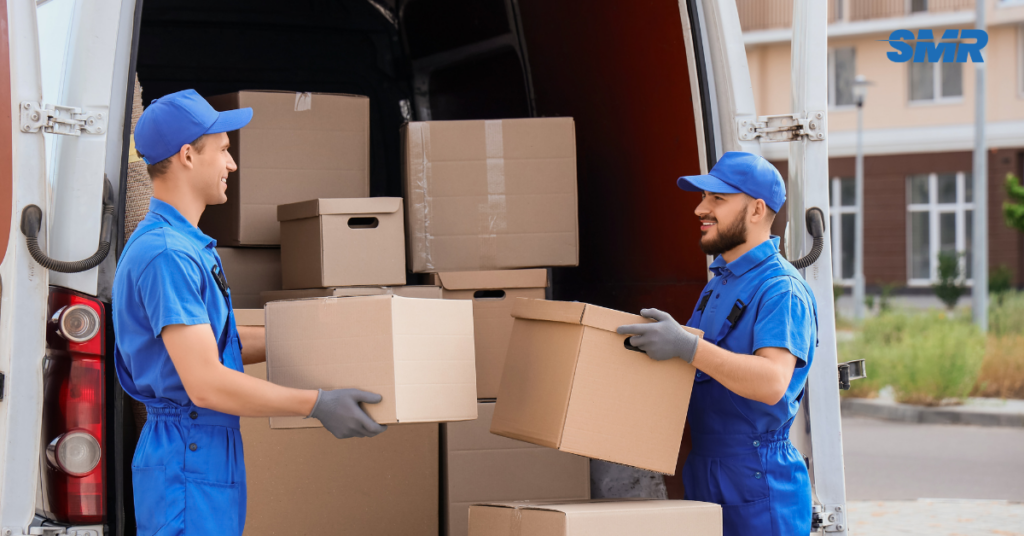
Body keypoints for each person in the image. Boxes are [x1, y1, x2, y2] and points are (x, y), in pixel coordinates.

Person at [113, 89, 387, 536]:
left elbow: (221, 345)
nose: (232, 165)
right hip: (189, 449)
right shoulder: (167, 254)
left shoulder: (188, 248)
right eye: (223, 150)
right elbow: (204, 382)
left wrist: (327, 336)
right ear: (187, 155)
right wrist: (316, 404)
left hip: (205, 449)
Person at [617, 151, 817, 536]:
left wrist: (687, 346)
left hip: (757, 478)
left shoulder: (781, 289)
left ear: (757, 209)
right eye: (703, 197)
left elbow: (772, 383)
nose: (700, 209)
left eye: (717, 199)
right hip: (707, 468)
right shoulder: (718, 285)